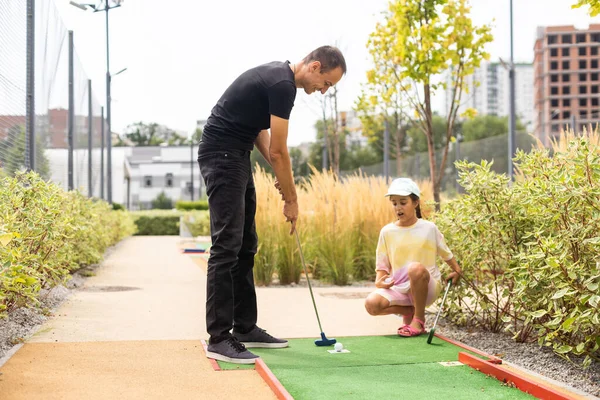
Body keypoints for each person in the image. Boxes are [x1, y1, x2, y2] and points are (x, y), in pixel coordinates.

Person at [197, 46, 347, 364]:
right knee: (226, 246)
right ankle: (219, 338)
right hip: (221, 155)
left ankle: (244, 327)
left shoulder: (279, 78)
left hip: (235, 155)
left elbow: (261, 133)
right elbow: (280, 150)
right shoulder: (282, 85)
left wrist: (275, 169)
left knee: (246, 245)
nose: (323, 91)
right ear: (315, 66)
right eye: (327, 84)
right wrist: (291, 199)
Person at [364, 178, 462, 337]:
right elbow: (381, 268)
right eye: (394, 203)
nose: (398, 208)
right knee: (371, 304)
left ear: (415, 203)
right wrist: (379, 282)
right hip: (400, 288)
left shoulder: (429, 228)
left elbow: (446, 253)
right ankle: (411, 310)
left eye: (403, 202)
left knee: (415, 268)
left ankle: (418, 319)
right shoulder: (387, 232)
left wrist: (457, 270)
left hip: (427, 287)